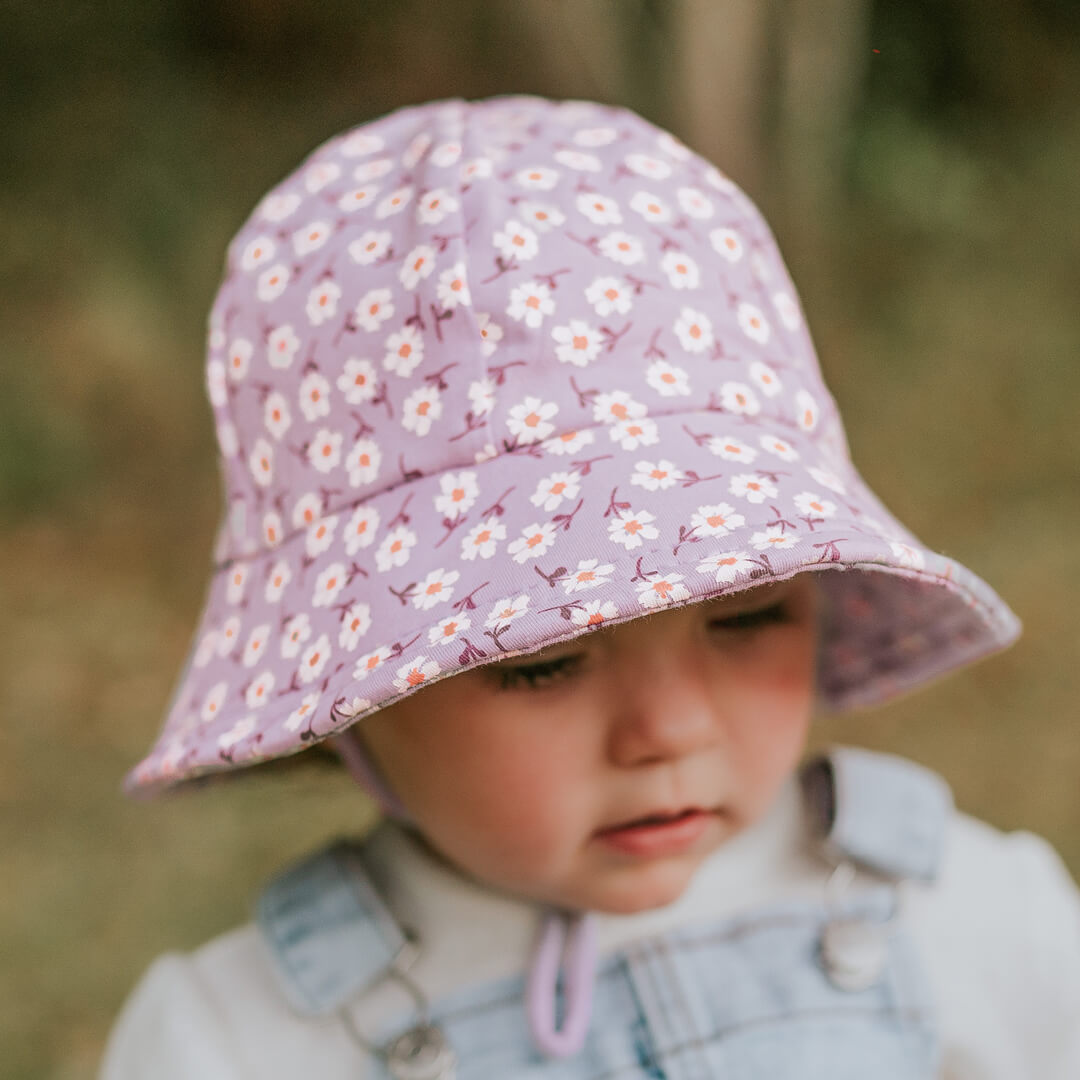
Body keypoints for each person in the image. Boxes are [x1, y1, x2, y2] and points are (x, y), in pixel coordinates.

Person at [99, 95, 1080, 1079]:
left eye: (746, 617)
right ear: (356, 698)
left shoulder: (976, 921)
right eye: (542, 665)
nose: (670, 731)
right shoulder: (241, 1044)